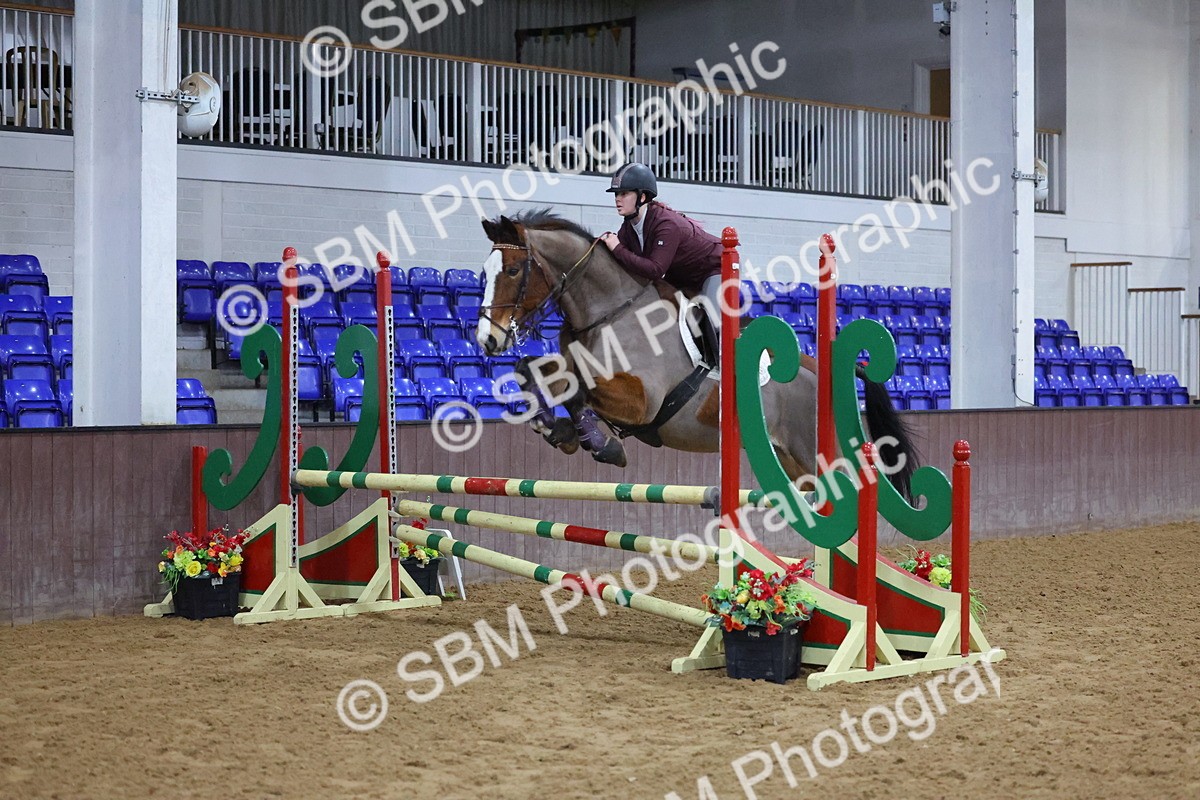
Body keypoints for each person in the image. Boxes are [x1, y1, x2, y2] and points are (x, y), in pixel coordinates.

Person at [599, 163, 724, 353]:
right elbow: (622, 261)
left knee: (712, 323)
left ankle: (721, 374)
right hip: (681, 276)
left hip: (714, 269)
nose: (617, 199)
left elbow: (655, 270)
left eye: (624, 194)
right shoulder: (628, 229)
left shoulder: (666, 224)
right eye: (616, 194)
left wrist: (616, 247)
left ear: (642, 197)